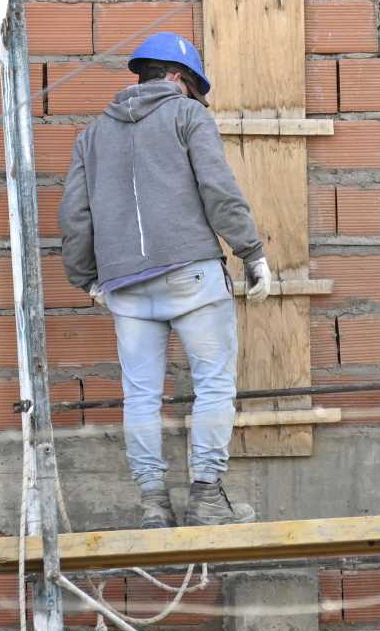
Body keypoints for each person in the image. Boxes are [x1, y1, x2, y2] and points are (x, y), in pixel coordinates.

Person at [59, 32, 271, 529]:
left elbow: (74, 216)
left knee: (140, 397)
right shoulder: (187, 115)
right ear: (178, 78)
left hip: (124, 285)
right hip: (191, 274)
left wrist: (87, 277)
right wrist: (251, 252)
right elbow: (217, 187)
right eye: (194, 88)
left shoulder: (91, 136)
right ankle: (207, 499)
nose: (196, 97)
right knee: (214, 386)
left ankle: (153, 505)